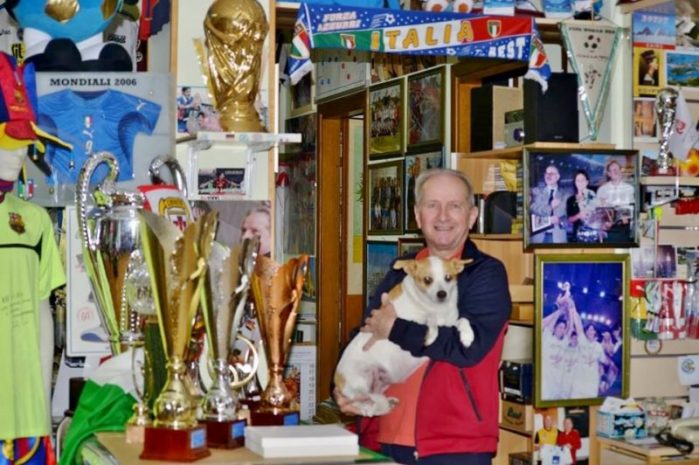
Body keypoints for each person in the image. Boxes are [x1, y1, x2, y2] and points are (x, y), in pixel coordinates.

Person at [335, 168, 511, 464]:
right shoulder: (401, 270)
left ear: (472, 216)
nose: (443, 216)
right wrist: (344, 388)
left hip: (454, 446)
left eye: (454, 206)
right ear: (418, 216)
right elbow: (364, 334)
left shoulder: (485, 274)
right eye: (432, 205)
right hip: (384, 436)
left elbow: (466, 348)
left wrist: (394, 328)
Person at [0, 148, 65, 461]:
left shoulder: (35, 221)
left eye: (22, 147)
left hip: (25, 412)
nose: (17, 156)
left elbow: (42, 314)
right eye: (7, 145)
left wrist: (42, 404)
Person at [530, 165, 570, 244]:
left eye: (551, 174)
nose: (548, 176)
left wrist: (560, 221)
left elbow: (568, 217)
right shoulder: (536, 192)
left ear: (557, 177)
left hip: (558, 238)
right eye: (546, 173)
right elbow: (532, 209)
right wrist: (550, 207)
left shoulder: (566, 195)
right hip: (538, 238)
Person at [596, 160, 635, 243]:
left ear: (621, 171)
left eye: (617, 169)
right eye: (613, 170)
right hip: (608, 230)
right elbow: (598, 212)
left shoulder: (630, 189)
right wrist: (604, 222)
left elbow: (633, 210)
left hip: (624, 228)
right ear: (609, 174)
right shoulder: (602, 190)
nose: (616, 172)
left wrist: (628, 218)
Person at [566, 170, 598, 243]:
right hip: (578, 235)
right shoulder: (570, 200)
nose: (580, 182)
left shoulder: (594, 196)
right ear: (575, 182)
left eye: (582, 180)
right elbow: (569, 219)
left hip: (593, 234)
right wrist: (579, 216)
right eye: (578, 180)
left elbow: (599, 214)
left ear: (587, 182)